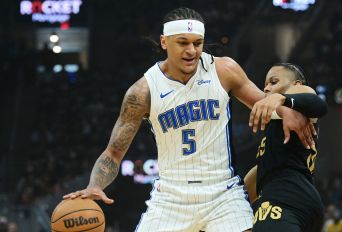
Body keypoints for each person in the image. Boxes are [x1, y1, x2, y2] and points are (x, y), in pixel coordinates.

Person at [64, 7, 314, 232]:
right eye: (183, 42)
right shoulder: (143, 91)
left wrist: (286, 106)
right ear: (164, 42)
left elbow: (263, 105)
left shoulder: (223, 70)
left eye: (198, 43)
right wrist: (96, 184)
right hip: (171, 198)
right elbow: (113, 153)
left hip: (222, 194)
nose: (192, 51)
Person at [244, 63, 328, 232]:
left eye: (273, 82)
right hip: (302, 200)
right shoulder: (275, 138)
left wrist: (282, 98)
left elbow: (318, 104)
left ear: (296, 84)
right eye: (265, 84)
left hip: (283, 197)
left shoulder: (299, 95)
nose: (267, 88)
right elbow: (259, 176)